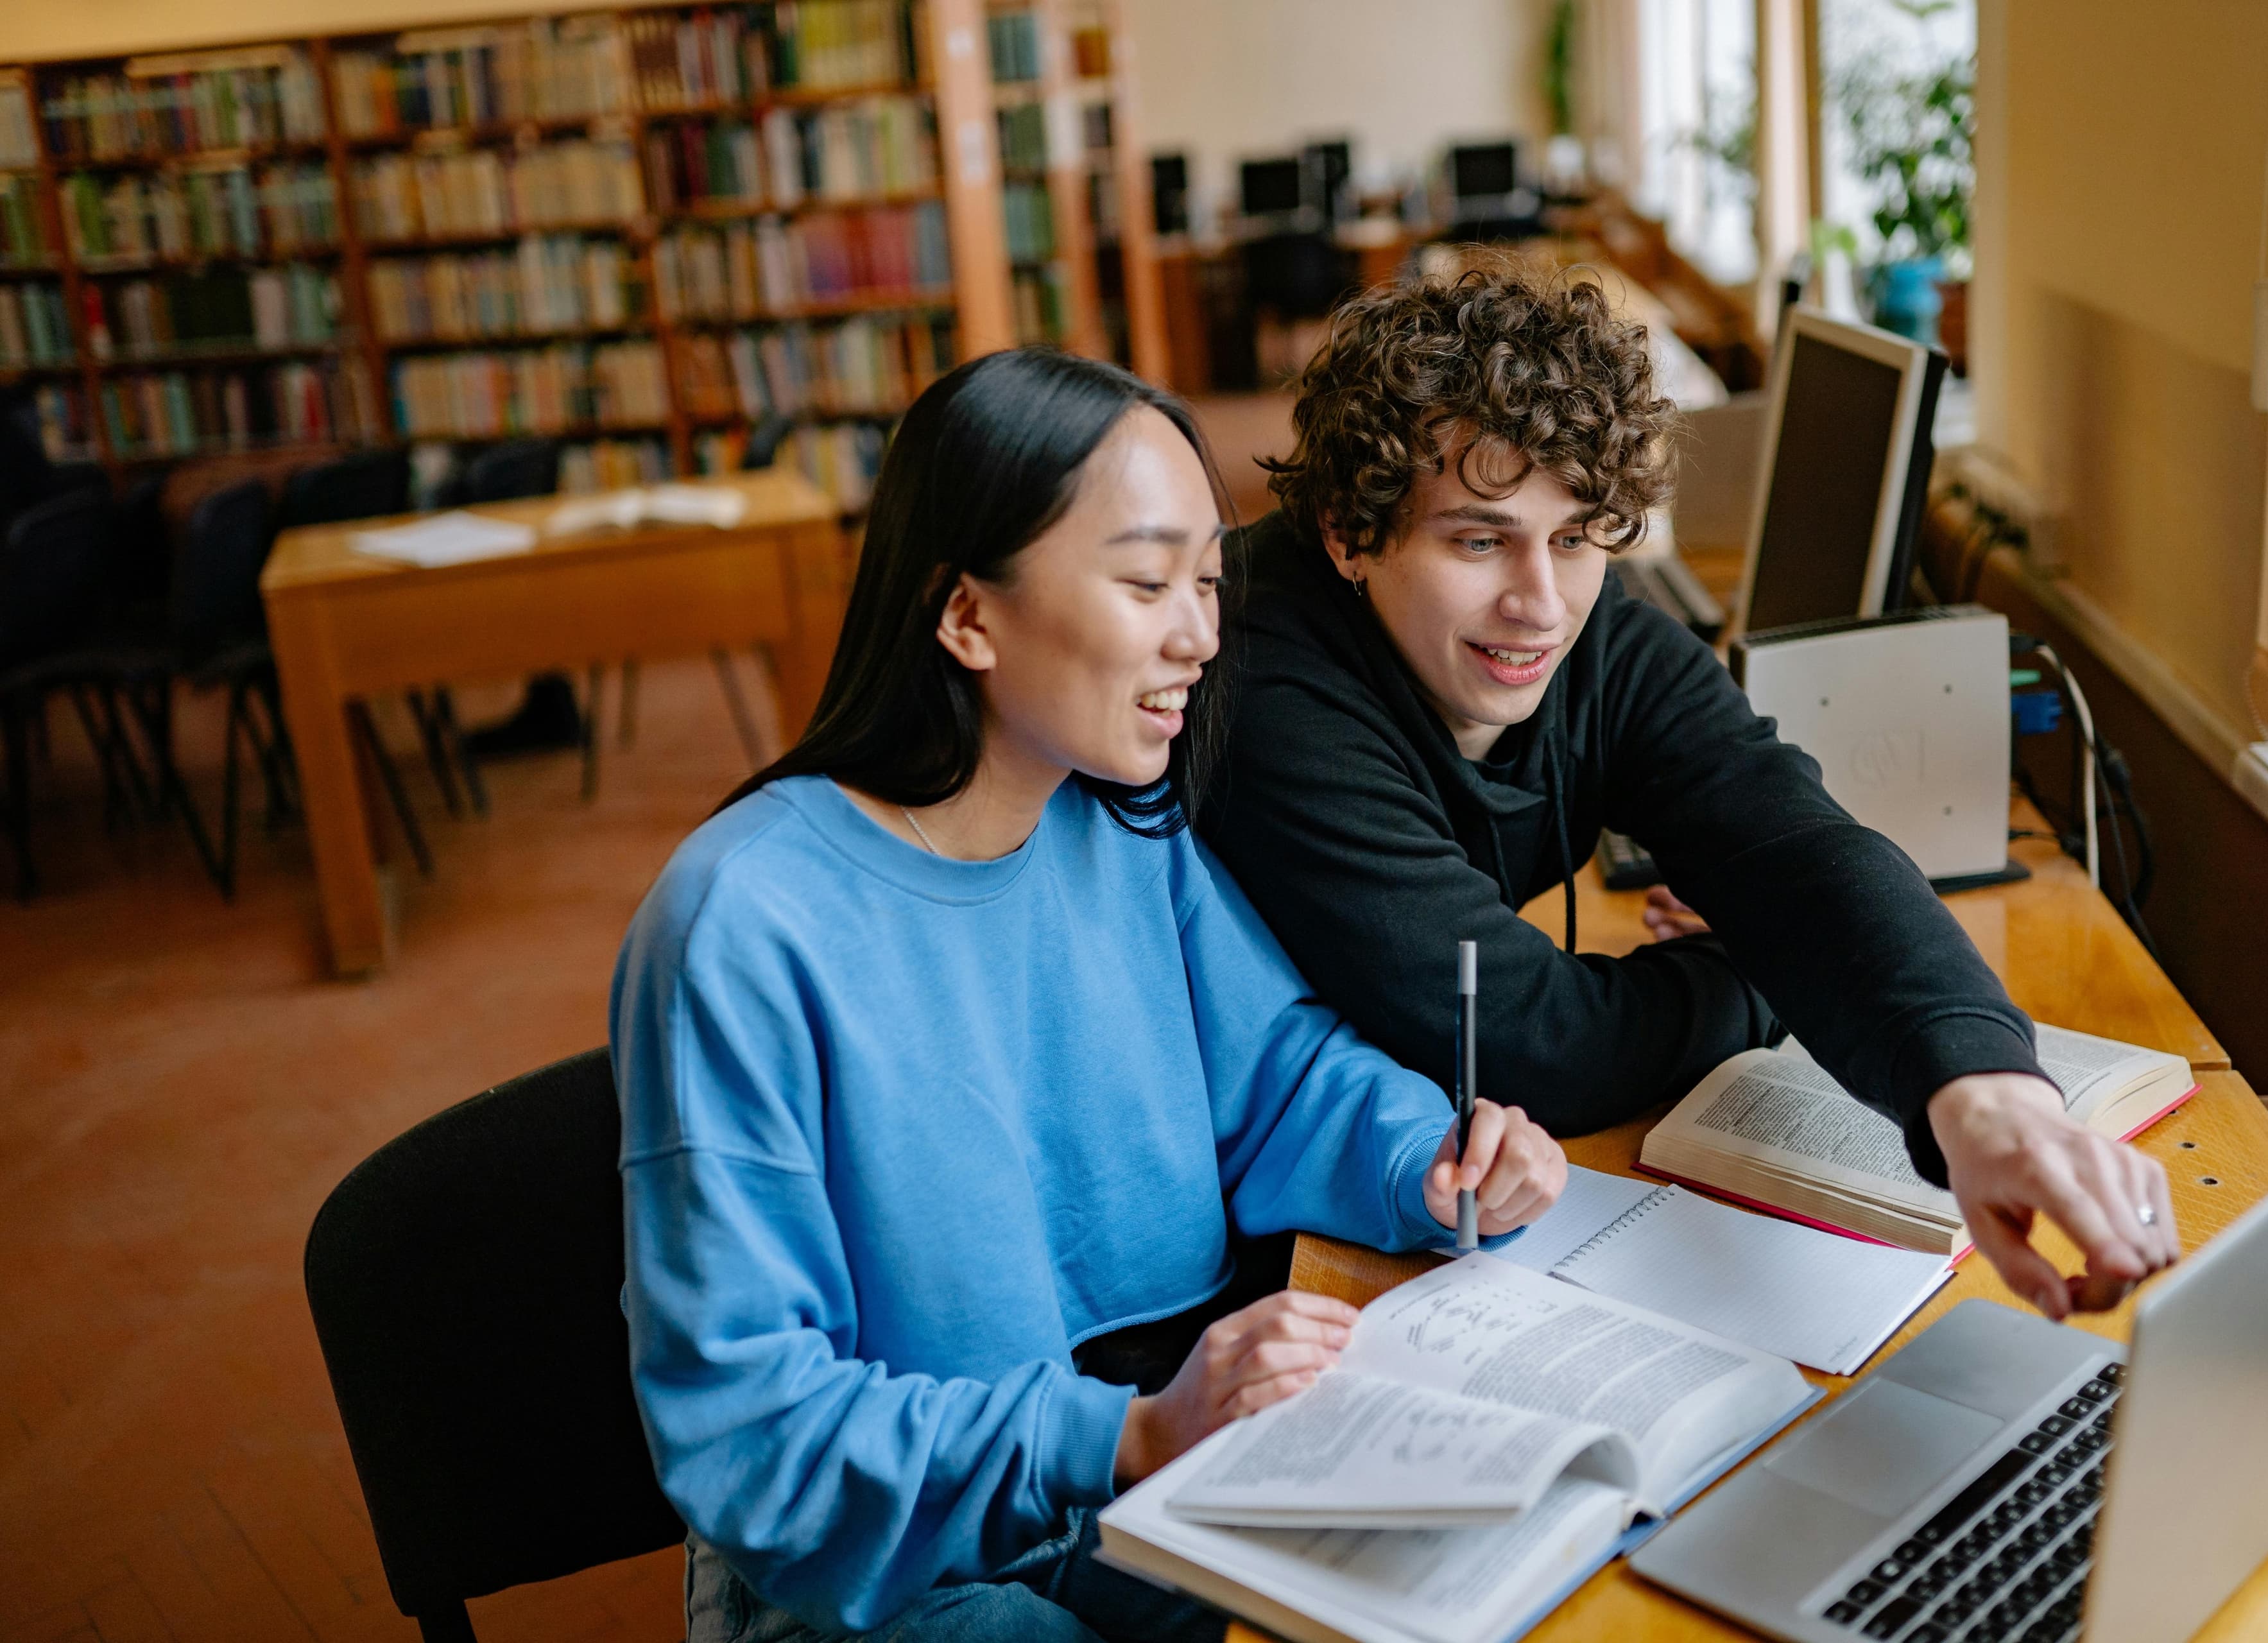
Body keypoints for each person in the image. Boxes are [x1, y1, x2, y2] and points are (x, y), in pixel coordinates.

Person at [610, 347, 1568, 1643]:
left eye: (1210, 581)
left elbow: (1278, 1073)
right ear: (967, 616)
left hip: (1122, 1472)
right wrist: (1125, 1431)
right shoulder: (743, 921)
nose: (1202, 634)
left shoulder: (1126, 822)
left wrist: (1428, 1156)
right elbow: (757, 1428)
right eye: (1145, 581)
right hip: (883, 1570)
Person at [1196, 257, 2179, 1323]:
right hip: (1249, 1256)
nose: (1541, 605)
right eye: (1480, 541)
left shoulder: (1587, 627)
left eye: (1576, 538)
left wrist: (1986, 1096)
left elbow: (1790, 844)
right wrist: (1750, 964)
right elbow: (1530, 1043)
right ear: (1351, 532)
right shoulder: (1259, 674)